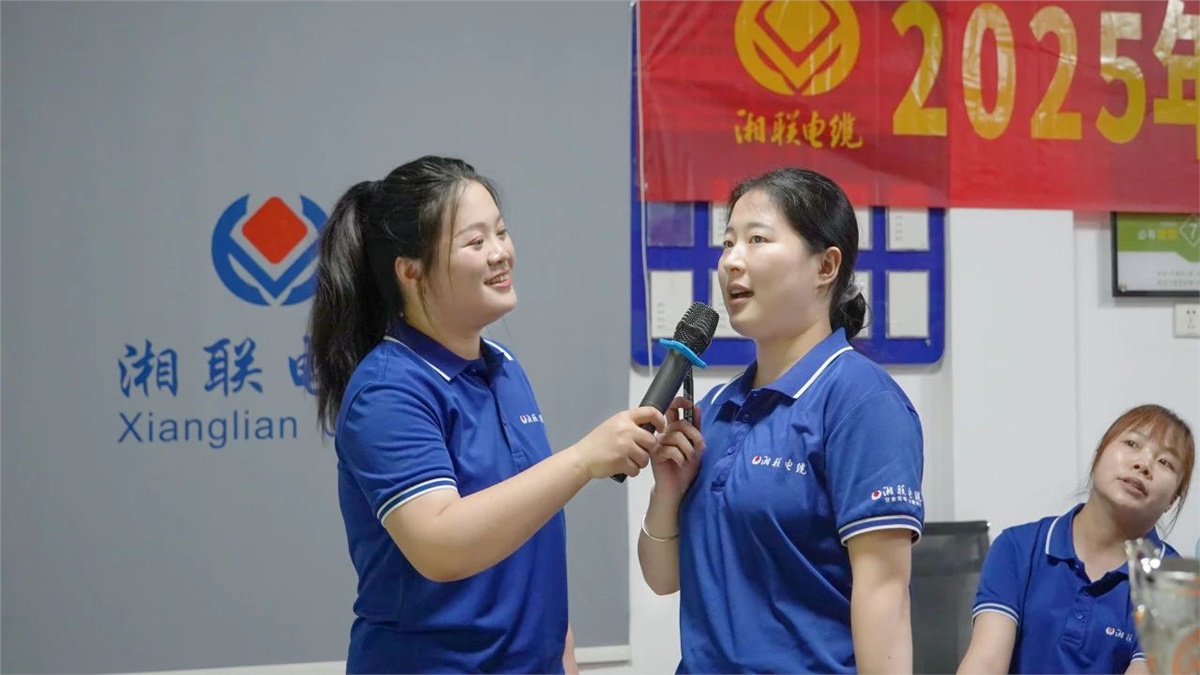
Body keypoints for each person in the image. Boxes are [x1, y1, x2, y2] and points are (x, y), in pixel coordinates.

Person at [308, 155, 665, 674]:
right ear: (410, 271)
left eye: (501, 232)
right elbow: (441, 546)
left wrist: (562, 652)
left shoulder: (504, 366)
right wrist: (583, 460)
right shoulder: (388, 389)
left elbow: (529, 528)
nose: (500, 253)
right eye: (475, 242)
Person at [638, 167, 926, 674]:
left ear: (825, 266)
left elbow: (885, 597)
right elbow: (663, 579)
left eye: (757, 240)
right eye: (728, 243)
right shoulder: (720, 405)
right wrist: (667, 492)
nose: (732, 260)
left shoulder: (862, 402)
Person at [957, 404, 1195, 675]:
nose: (1143, 464)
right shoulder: (1017, 547)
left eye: (1165, 462)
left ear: (1173, 499)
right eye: (1132, 443)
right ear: (1098, 456)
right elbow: (985, 663)